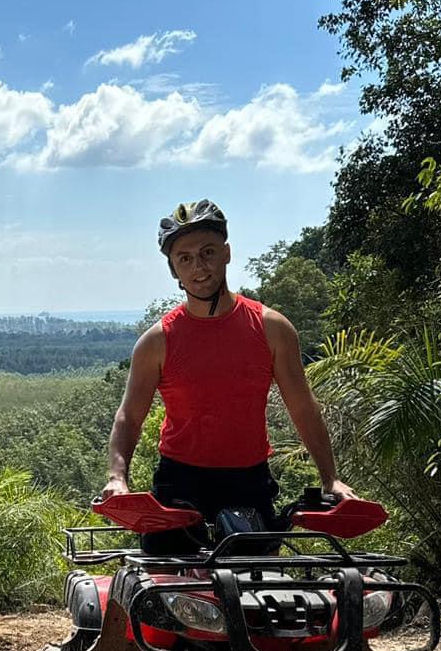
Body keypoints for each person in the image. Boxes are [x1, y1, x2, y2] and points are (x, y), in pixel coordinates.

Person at [100, 199, 355, 551]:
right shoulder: (157, 341)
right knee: (166, 593)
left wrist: (331, 480)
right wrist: (117, 478)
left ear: (227, 253)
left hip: (248, 481)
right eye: (184, 258)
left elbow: (303, 407)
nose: (198, 267)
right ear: (174, 270)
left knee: (254, 594)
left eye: (208, 252)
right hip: (179, 483)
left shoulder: (271, 328)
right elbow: (129, 416)